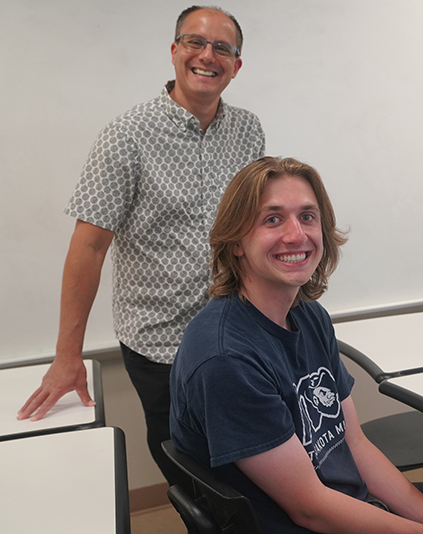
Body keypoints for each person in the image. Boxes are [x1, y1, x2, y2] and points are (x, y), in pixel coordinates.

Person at [169, 156, 423, 533]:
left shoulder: (309, 315)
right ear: (236, 242)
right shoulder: (225, 358)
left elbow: (353, 442)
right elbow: (310, 509)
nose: (297, 235)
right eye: (273, 219)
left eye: (308, 217)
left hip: (353, 504)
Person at [17, 5, 265, 489]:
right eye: (195, 42)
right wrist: (68, 354)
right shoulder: (127, 136)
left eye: (223, 48)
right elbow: (88, 248)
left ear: (236, 65)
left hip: (235, 331)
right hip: (161, 345)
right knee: (194, 474)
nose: (207, 55)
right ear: (174, 52)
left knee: (250, 461)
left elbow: (253, 228)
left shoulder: (248, 131)